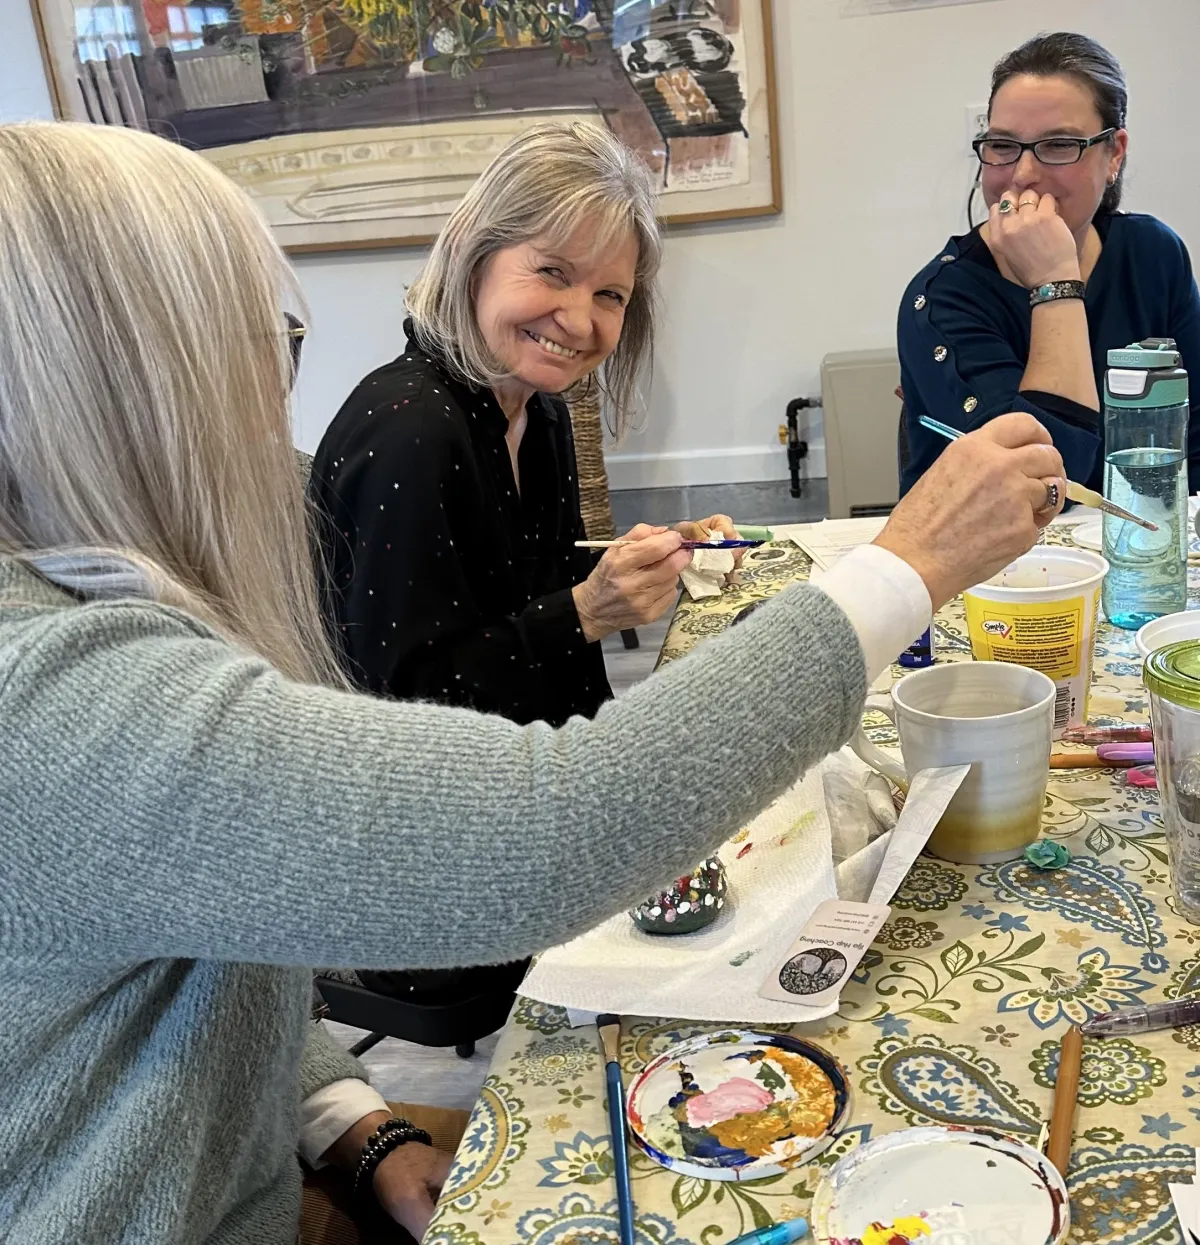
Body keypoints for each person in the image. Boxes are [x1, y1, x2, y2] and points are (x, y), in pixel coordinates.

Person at [0, 119, 1063, 1245]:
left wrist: (348, 1123)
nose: (273, 406)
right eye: (257, 345)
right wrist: (906, 564)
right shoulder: (65, 697)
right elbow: (546, 823)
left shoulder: (97, 609)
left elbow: (207, 941)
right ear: (107, 378)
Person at [311, 122, 737, 732]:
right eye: (554, 273)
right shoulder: (410, 431)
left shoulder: (540, 414)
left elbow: (533, 596)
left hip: (556, 756)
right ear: (472, 254)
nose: (580, 322)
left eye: (610, 295)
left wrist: (655, 556)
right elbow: (402, 705)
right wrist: (587, 612)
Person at [899, 32, 1200, 496]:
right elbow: (1039, 489)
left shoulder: (1154, 254)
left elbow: (1192, 444)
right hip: (999, 541)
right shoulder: (941, 297)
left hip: (1145, 534)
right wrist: (1055, 283)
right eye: (1003, 145)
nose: (1022, 175)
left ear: (1114, 153)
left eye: (1059, 145)